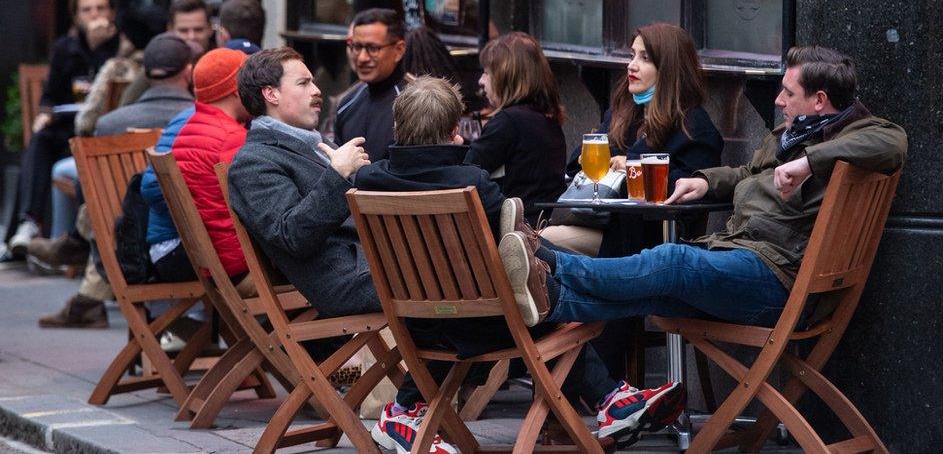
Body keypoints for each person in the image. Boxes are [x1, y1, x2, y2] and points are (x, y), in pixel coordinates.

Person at [228, 52, 680, 453]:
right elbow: (291, 236)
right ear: (269, 94)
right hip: (355, 281)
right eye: (303, 82)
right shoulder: (256, 161)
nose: (316, 90)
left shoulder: (306, 150)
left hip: (395, 271)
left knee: (503, 292)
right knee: (511, 297)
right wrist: (338, 176)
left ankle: (411, 411)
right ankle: (619, 370)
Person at [494, 45, 907, 346]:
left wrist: (808, 162)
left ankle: (550, 265)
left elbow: (894, 140)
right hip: (739, 255)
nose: (778, 100)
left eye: (789, 93)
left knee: (673, 261)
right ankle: (553, 300)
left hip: (779, 282)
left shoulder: (858, 135)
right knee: (656, 291)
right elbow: (749, 172)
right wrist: (707, 181)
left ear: (820, 101)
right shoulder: (790, 134)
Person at [355, 75, 684, 451]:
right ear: (453, 131)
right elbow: (517, 243)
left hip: (416, 321)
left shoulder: (369, 181)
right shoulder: (472, 182)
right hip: (484, 323)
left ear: (399, 127)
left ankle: (406, 408)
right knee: (553, 310)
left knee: (544, 303)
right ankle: (612, 397)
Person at [38, 34, 198, 329]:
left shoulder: (110, 124)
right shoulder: (199, 122)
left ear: (146, 74)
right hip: (189, 254)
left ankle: (74, 244)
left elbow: (89, 195)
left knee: (97, 212)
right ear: (189, 72)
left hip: (124, 253)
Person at [544, 23, 724, 256]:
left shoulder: (694, 127)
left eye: (645, 58)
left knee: (539, 242)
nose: (631, 65)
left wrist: (630, 166)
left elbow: (687, 194)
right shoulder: (624, 112)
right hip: (597, 220)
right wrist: (605, 158)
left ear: (669, 68)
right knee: (532, 241)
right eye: (632, 56)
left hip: (646, 241)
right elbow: (576, 161)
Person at [26, 5, 169, 274]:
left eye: (102, 8)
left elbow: (87, 124)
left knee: (82, 172)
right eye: (88, 9)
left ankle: (71, 244)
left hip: (123, 163)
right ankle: (69, 241)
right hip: (154, 168)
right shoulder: (182, 65)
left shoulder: (117, 67)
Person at [6, 0, 121, 257]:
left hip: (105, 130)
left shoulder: (123, 46)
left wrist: (100, 46)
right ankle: (30, 223)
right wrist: (43, 116)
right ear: (76, 16)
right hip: (68, 129)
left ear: (112, 13)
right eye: (87, 10)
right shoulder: (64, 48)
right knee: (41, 139)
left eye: (100, 8)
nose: (94, 15)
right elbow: (50, 96)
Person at [140, 48, 251, 286]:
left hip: (204, 257)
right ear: (236, 89)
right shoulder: (231, 137)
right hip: (235, 265)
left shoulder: (191, 127)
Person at [464, 32, 566, 225]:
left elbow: (466, 171)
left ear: (506, 77)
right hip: (543, 222)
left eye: (487, 73)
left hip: (518, 231)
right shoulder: (546, 117)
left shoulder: (509, 122)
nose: (481, 81)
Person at [334, 8, 409, 161]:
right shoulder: (346, 104)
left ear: (399, 50)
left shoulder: (416, 106)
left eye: (373, 48)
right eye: (357, 47)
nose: (362, 58)